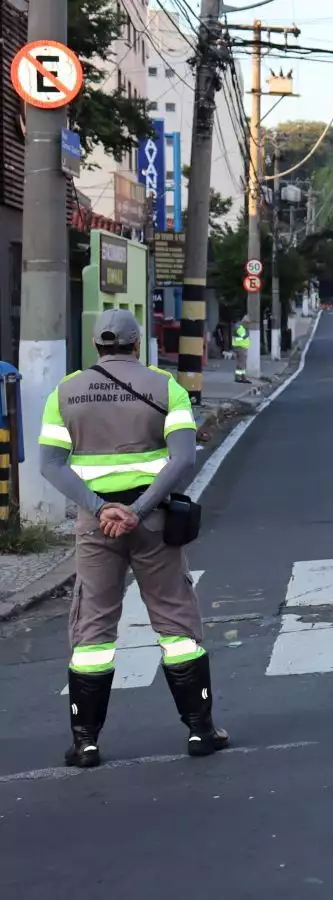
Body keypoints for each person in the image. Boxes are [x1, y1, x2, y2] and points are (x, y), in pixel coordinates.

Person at [38, 308, 228, 768]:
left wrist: (102, 508)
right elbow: (183, 459)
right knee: (176, 623)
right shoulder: (167, 387)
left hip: (95, 525)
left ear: (96, 345)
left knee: (93, 631)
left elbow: (51, 465)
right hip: (155, 521)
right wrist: (137, 510)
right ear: (137, 343)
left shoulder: (64, 392)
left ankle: (85, 742)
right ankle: (201, 731)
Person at [232, 316, 251, 383]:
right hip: (239, 347)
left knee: (242, 364)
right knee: (241, 364)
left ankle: (242, 377)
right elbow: (244, 336)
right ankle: (239, 378)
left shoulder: (241, 327)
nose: (248, 325)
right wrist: (247, 330)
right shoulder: (239, 327)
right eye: (247, 323)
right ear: (244, 322)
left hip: (242, 347)